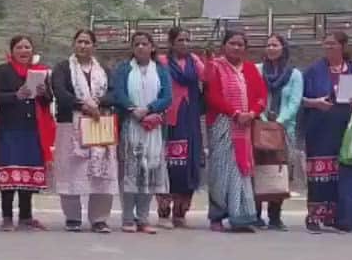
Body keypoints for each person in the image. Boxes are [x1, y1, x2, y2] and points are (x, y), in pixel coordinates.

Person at [50, 29, 118, 233]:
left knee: (102, 173)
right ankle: (72, 217)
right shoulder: (63, 68)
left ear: (94, 46)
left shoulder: (103, 69)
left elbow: (114, 93)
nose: (83, 46)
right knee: (71, 170)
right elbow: (60, 92)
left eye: (87, 42)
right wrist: (84, 105)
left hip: (99, 124)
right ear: (74, 44)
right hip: (71, 125)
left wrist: (98, 102)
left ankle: (99, 219)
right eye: (79, 41)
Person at [0, 35, 54, 231]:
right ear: (12, 50)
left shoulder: (40, 72)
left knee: (28, 171)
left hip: (32, 128)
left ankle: (26, 216)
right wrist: (15, 95)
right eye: (20, 47)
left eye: (27, 47)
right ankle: (7, 216)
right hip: (9, 128)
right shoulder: (2, 71)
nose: (24, 51)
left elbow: (49, 99)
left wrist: (43, 93)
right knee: (9, 169)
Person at [301, 31, 352, 232]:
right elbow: (299, 99)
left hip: (347, 127)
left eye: (332, 44)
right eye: (325, 44)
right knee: (320, 172)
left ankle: (343, 216)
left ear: (343, 46)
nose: (328, 47)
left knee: (344, 171)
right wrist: (315, 103)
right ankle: (317, 215)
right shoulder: (313, 71)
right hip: (320, 127)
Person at [204, 30, 265, 233]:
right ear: (224, 46)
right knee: (221, 171)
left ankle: (241, 217)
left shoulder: (249, 69)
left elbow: (261, 95)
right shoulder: (215, 66)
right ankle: (217, 216)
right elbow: (213, 96)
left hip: (245, 126)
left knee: (242, 170)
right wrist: (235, 113)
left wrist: (253, 112)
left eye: (240, 44)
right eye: (232, 43)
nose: (237, 47)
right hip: (223, 124)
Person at [110, 32, 171, 234]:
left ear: (152, 47)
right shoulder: (124, 69)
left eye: (145, 44)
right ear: (132, 48)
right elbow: (118, 93)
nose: (141, 47)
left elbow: (167, 96)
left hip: (153, 127)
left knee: (150, 172)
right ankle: (128, 218)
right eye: (137, 44)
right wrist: (133, 109)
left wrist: (150, 109)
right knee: (130, 173)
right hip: (131, 124)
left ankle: (143, 218)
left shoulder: (160, 70)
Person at [158, 27, 205, 228]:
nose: (184, 44)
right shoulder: (162, 62)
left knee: (188, 164)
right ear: (171, 43)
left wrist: (205, 60)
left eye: (187, 39)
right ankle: (163, 208)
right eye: (180, 40)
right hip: (169, 118)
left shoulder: (195, 62)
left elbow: (207, 78)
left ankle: (181, 210)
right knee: (168, 164)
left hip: (190, 117)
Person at [255, 35, 302, 231]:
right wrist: (265, 120)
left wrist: (279, 122)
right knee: (258, 170)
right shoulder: (257, 70)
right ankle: (255, 215)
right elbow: (255, 96)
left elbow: (295, 102)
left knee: (279, 172)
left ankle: (275, 217)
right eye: (268, 45)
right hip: (259, 128)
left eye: (275, 45)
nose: (271, 48)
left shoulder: (294, 74)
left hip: (284, 131)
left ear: (284, 48)